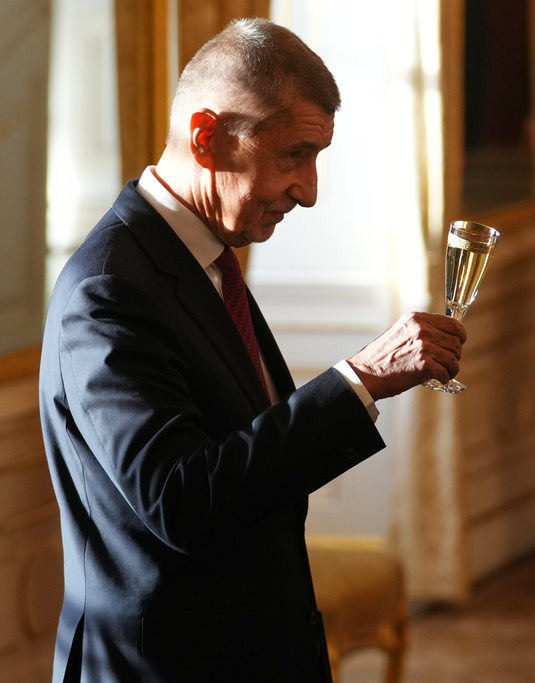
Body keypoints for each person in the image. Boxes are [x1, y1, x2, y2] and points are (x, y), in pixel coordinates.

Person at [39, 19, 466, 682]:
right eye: (293, 154)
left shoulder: (211, 261)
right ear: (206, 137)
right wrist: (361, 378)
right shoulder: (109, 289)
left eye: (316, 157)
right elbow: (182, 499)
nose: (310, 189)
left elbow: (250, 473)